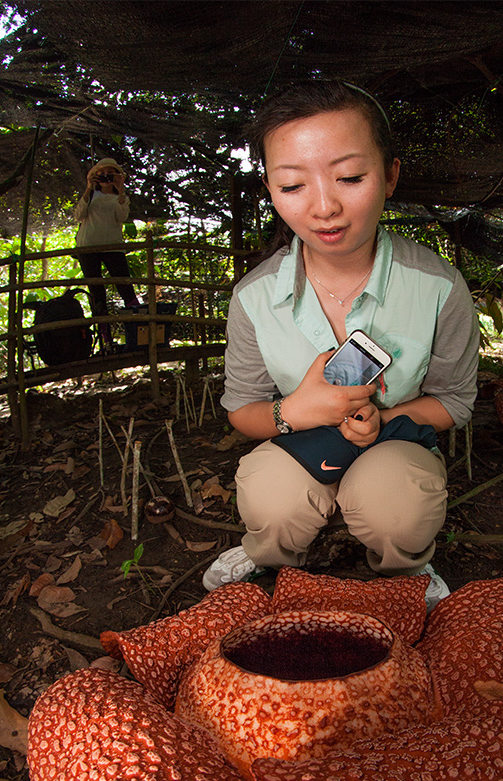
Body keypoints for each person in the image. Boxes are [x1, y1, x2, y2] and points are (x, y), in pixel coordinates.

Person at [203, 81, 480, 608]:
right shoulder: (254, 297)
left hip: (397, 442)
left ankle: (407, 570)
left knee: (396, 505)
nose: (325, 207)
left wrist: (382, 420)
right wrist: (293, 411)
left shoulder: (439, 288)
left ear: (391, 174)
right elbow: (243, 409)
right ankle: (266, 554)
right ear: (269, 189)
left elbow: (454, 401)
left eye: (350, 177)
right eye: (292, 186)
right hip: (302, 444)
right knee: (267, 494)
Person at [73, 157, 140, 350]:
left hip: (113, 247)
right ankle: (106, 341)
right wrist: (88, 187)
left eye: (110, 174)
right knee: (97, 294)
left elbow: (122, 217)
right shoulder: (90, 196)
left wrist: (121, 190)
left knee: (125, 287)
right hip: (88, 248)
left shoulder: (121, 198)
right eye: (101, 174)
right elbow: (78, 215)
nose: (105, 177)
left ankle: (139, 335)